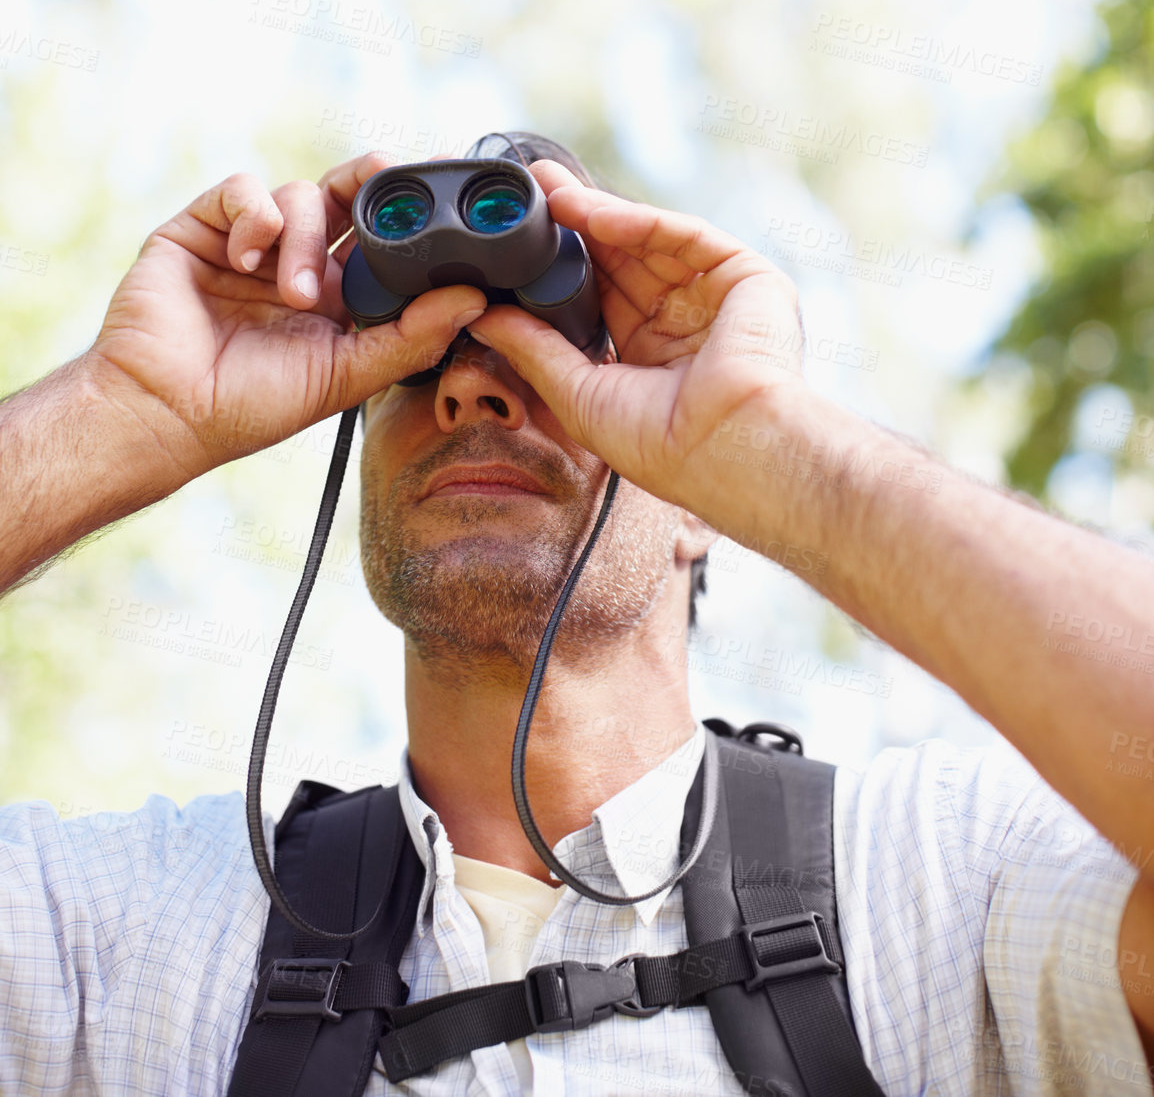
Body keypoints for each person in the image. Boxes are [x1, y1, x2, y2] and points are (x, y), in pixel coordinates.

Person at [1, 131, 1153, 1097]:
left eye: (562, 343)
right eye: (412, 361)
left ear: (703, 511)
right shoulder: (143, 938)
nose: (470, 385)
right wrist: (125, 413)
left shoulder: (933, 885)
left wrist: (769, 443)